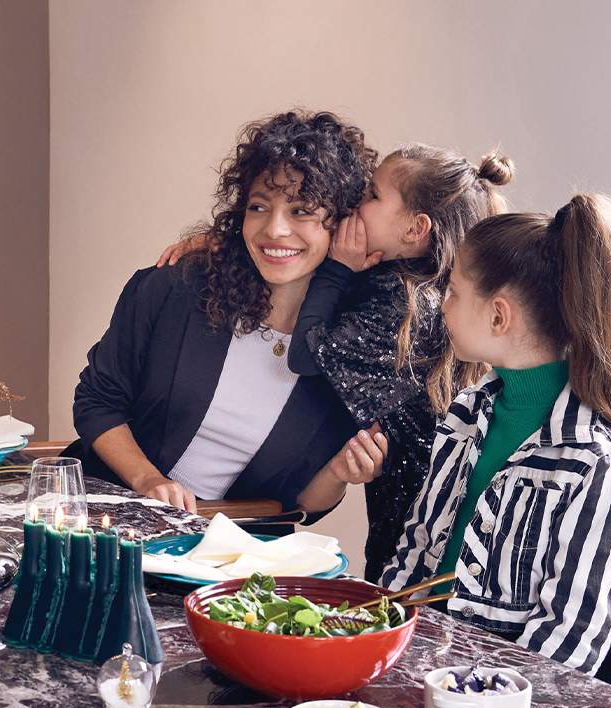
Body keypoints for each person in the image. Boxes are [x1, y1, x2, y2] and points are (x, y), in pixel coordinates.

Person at [160, 145, 516, 574]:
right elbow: (296, 259)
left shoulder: (406, 303)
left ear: (415, 229)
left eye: (371, 196)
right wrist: (232, 243)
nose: (354, 207)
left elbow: (308, 353)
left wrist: (338, 269)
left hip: (420, 509)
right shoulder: (392, 279)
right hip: (405, 499)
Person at [379, 193, 611, 674]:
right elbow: (418, 549)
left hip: (511, 697)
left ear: (498, 315)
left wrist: (470, 697)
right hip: (428, 662)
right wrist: (373, 634)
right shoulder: (465, 414)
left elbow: (569, 637)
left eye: (452, 291)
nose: (442, 306)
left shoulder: (598, 459)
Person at [72, 110, 381, 518]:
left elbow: (300, 505)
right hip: (108, 519)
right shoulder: (176, 288)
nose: (274, 229)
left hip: (232, 555)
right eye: (259, 206)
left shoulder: (352, 347)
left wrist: (339, 474)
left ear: (341, 225)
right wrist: (148, 480)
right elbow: (97, 401)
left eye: (301, 211)